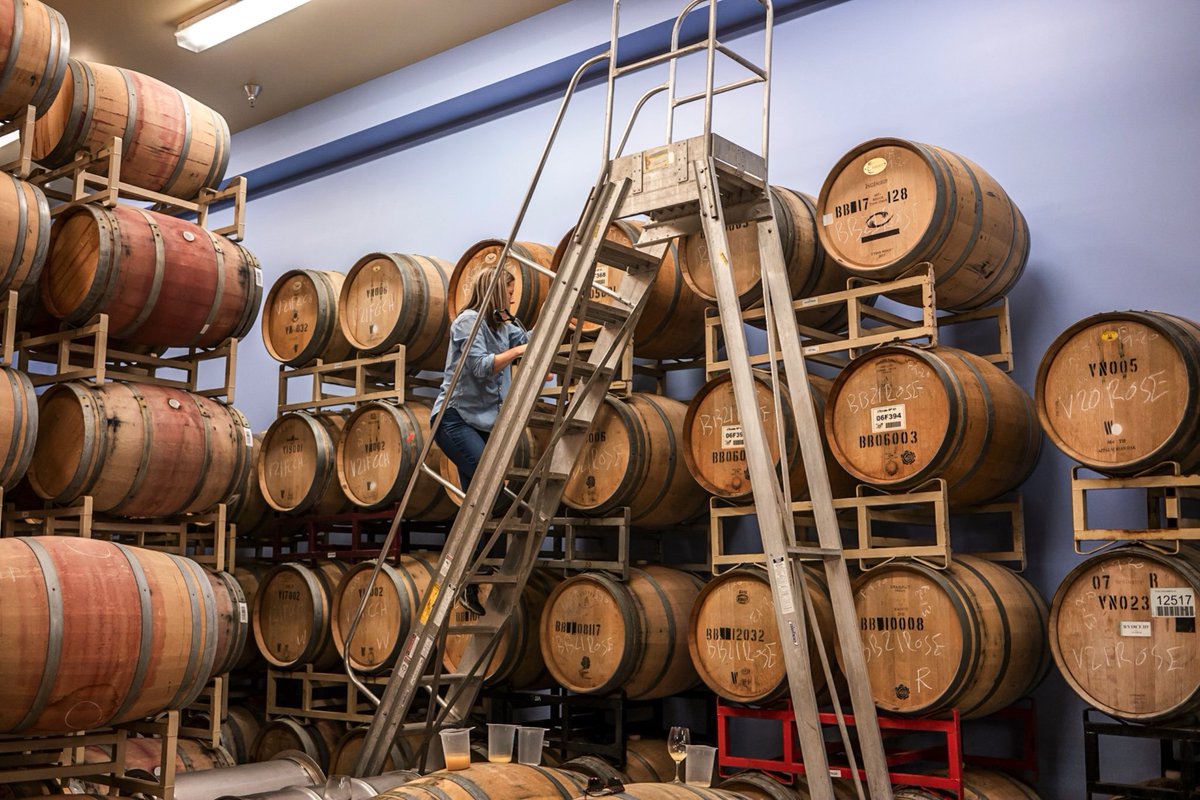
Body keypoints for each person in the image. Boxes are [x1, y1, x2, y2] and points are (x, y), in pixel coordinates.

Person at [432, 266, 528, 615]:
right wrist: (518, 354)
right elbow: (481, 366)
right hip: (455, 420)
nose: (515, 297)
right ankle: (463, 570)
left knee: (482, 507)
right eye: (509, 290)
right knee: (490, 490)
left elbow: (529, 344)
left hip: (485, 424)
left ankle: (467, 583)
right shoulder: (467, 322)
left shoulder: (506, 326)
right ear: (495, 291)